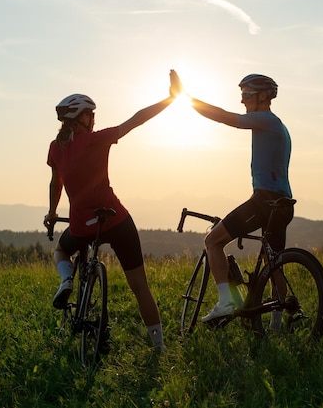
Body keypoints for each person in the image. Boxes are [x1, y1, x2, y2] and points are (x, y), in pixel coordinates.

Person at [43, 70, 182, 351]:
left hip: (83, 224)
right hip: (116, 220)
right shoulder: (96, 140)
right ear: (82, 118)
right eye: (91, 115)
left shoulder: (56, 148)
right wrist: (170, 99)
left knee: (61, 251)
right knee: (140, 287)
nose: (94, 120)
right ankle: (159, 347)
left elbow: (55, 183)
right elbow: (136, 120)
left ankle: (67, 278)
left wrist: (52, 212)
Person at [173, 72, 294, 327]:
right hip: (282, 204)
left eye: (247, 95)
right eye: (241, 95)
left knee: (212, 241)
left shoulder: (265, 121)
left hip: (264, 202)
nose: (243, 101)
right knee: (274, 267)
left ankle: (226, 301)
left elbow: (227, 118)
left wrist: (188, 100)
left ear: (263, 97)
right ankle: (275, 326)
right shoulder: (279, 126)